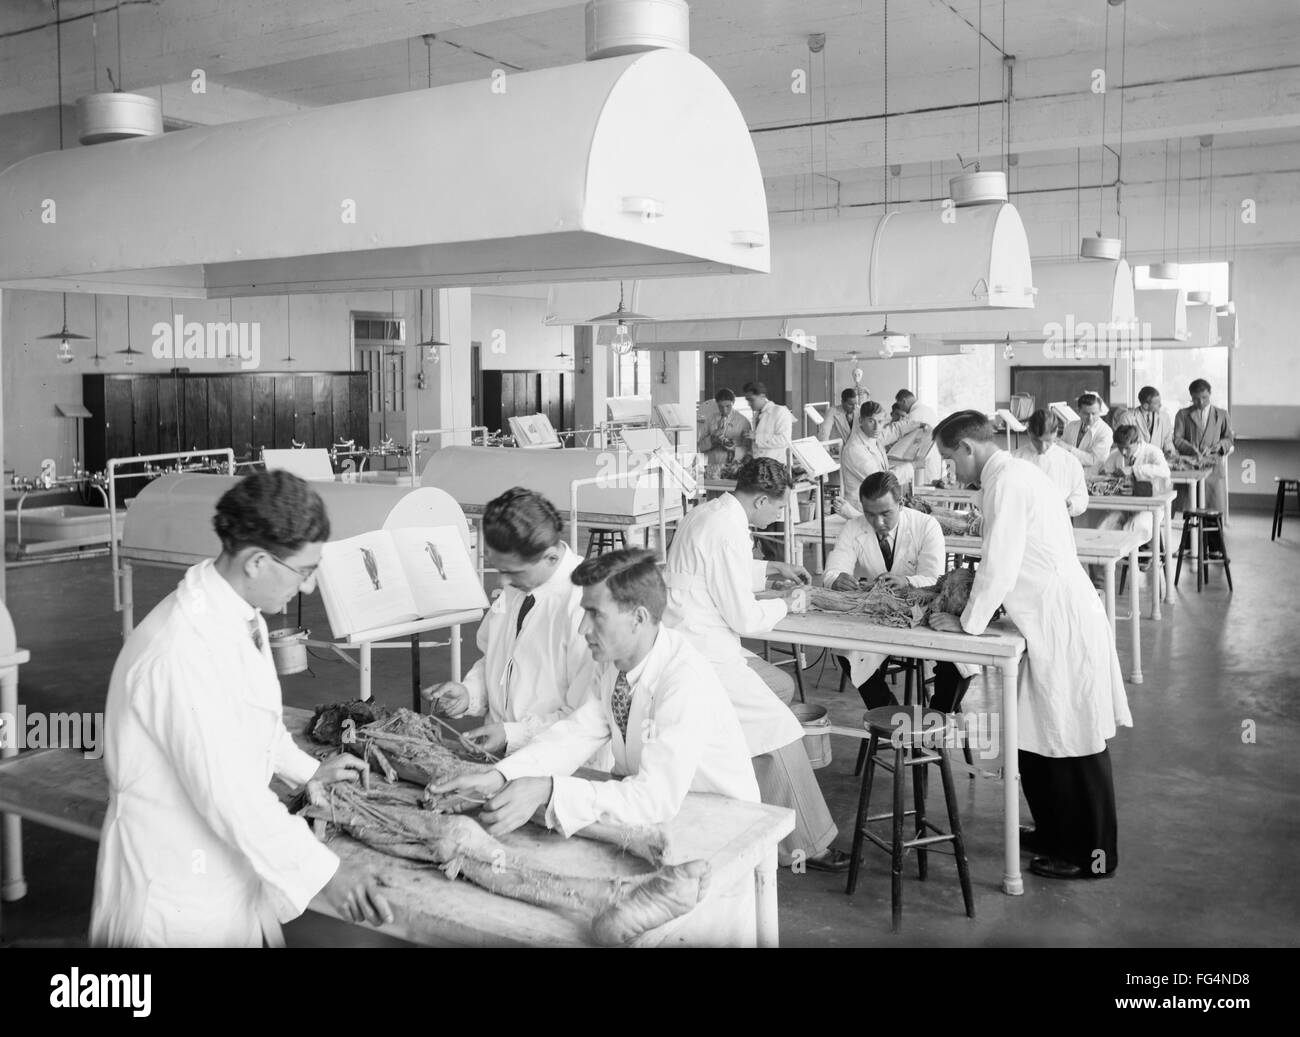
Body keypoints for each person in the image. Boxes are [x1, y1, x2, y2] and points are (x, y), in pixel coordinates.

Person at [90, 471, 393, 947]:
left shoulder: (236, 613)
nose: (309, 588)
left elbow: (252, 721)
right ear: (256, 562)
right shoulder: (180, 651)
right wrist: (326, 874)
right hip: (174, 898)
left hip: (220, 876)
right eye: (303, 571)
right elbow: (229, 796)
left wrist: (309, 771)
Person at [428, 549, 759, 838]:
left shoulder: (683, 681)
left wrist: (549, 788)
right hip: (666, 814)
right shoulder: (615, 665)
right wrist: (500, 776)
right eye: (584, 611)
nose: (584, 628)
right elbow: (577, 734)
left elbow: (655, 798)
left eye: (596, 614)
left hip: (719, 822)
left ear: (638, 618)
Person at [929, 411, 1131, 880]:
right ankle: (1055, 832)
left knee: (1074, 738)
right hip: (1039, 616)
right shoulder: (1014, 475)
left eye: (949, 460)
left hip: (1059, 618)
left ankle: (1092, 856)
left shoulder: (1008, 482)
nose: (951, 472)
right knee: (1038, 736)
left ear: (967, 448)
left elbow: (999, 564)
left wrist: (968, 623)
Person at [663, 457, 849, 872]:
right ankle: (807, 845)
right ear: (761, 499)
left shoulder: (708, 513)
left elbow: (717, 569)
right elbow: (745, 619)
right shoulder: (728, 528)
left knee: (779, 687)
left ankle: (742, 791)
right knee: (780, 730)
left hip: (684, 639)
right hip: (702, 651)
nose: (780, 515)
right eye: (780, 508)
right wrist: (788, 602)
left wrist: (772, 569)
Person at [421, 487, 595, 757]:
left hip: (558, 768)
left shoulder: (586, 605)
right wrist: (470, 693)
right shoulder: (519, 585)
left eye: (512, 572)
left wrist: (513, 734)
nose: (503, 582)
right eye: (500, 570)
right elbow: (496, 658)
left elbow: (586, 718)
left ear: (550, 555)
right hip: (500, 757)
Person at [824, 472, 974, 712]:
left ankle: (936, 720)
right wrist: (837, 580)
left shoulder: (926, 526)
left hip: (928, 610)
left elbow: (935, 578)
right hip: (884, 613)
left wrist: (906, 581)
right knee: (847, 652)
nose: (878, 522)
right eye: (870, 514)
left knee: (958, 664)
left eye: (886, 514)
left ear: (901, 504)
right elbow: (832, 571)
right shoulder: (854, 527)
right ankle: (889, 714)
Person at [1097, 425, 1172, 543]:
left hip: (1149, 507)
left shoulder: (1152, 452)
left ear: (1138, 442)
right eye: (1120, 448)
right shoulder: (1115, 454)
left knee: (1136, 526)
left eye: (1127, 448)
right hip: (1124, 506)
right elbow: (1105, 475)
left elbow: (1164, 472)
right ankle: (1110, 559)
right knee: (1104, 526)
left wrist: (1134, 469)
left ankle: (1135, 558)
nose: (1124, 452)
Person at [1173, 378, 1235, 513]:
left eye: (1204, 397)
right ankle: (1190, 533)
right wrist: (1191, 449)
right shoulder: (1182, 414)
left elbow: (1229, 439)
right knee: (1189, 509)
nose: (1200, 402)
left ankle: (1213, 534)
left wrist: (1218, 446)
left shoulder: (1222, 414)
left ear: (1210, 394)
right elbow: (1177, 439)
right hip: (1189, 466)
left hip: (1214, 467)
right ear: (1191, 396)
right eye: (1195, 399)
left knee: (1213, 508)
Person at [1012, 409, 1089, 518]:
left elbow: (1081, 496)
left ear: (1056, 432)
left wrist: (1071, 504)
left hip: (1057, 522)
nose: (1042, 447)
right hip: (1025, 523)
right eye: (1037, 441)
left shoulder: (1069, 461)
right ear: (1029, 433)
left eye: (1048, 441)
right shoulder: (1015, 459)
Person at [836, 401, 904, 517]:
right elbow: (880, 481)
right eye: (871, 421)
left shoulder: (874, 441)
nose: (877, 427)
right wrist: (910, 468)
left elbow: (895, 430)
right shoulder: (854, 448)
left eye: (880, 422)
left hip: (874, 507)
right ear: (861, 421)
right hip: (860, 511)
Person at [891, 389, 943, 483]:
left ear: (904, 401)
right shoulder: (928, 410)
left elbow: (904, 437)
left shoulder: (914, 414)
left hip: (921, 457)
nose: (902, 409)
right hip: (933, 454)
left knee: (921, 486)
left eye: (900, 405)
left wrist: (892, 453)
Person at [741, 381, 795, 462]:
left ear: (762, 396)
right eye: (747, 400)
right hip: (761, 463)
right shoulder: (757, 415)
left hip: (777, 464)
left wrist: (756, 436)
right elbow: (760, 443)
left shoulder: (780, 411)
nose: (749, 404)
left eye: (751, 400)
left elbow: (784, 439)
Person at [698, 387, 751, 469]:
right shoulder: (710, 420)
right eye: (720, 407)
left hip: (735, 467)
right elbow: (700, 447)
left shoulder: (743, 422)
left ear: (733, 402)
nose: (724, 410)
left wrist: (733, 448)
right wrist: (712, 439)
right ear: (717, 404)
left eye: (728, 406)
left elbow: (749, 450)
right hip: (713, 466)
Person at [1061, 392, 1113, 473]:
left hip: (1092, 476)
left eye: (1094, 413)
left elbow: (1094, 460)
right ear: (1079, 411)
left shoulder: (1106, 432)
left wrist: (1068, 448)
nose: (1090, 418)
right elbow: (1062, 450)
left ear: (1100, 411)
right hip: (1070, 472)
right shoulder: (1071, 426)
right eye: (1086, 414)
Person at [1120, 385, 1176, 457]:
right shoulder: (1127, 417)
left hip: (1157, 460)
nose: (1160, 405)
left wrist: (1170, 452)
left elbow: (1168, 440)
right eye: (1156, 403)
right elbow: (1123, 443)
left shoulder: (1164, 417)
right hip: (1136, 460)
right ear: (1145, 405)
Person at [818, 387, 860, 452]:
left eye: (855, 404)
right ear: (842, 402)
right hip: (838, 450)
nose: (854, 407)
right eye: (850, 404)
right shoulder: (832, 411)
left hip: (855, 450)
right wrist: (825, 450)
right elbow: (824, 432)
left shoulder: (858, 410)